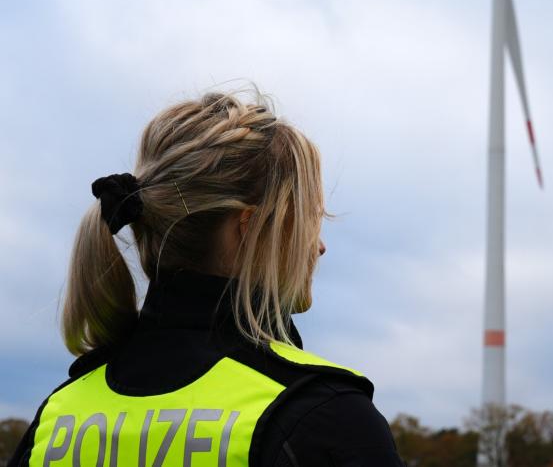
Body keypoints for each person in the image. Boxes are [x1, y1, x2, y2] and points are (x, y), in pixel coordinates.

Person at [8, 91, 405, 466]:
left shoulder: (57, 418)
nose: (319, 248)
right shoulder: (323, 416)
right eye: (308, 223)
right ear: (252, 228)